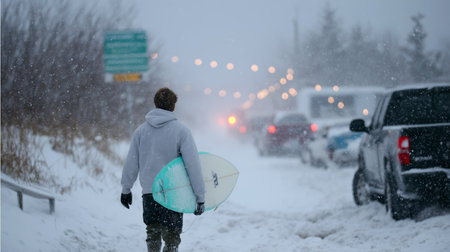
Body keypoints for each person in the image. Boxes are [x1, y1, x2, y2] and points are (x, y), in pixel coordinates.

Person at [120, 87, 206, 252]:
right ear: (173, 106)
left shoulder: (141, 131)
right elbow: (192, 165)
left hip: (150, 192)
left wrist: (126, 188)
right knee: (172, 236)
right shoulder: (181, 131)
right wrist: (200, 195)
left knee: (152, 231)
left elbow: (132, 161)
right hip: (173, 192)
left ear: (155, 104)